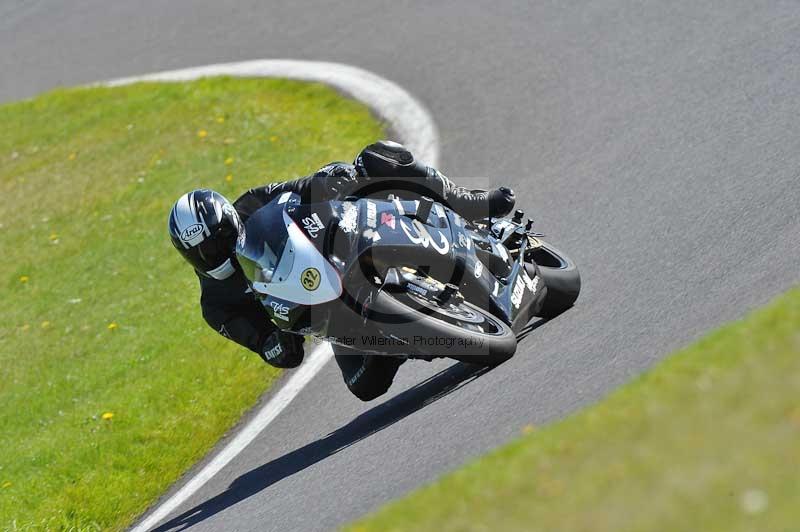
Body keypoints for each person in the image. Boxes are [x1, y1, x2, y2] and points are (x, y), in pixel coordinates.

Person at [168, 140, 515, 401]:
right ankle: (414, 337)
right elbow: (264, 344)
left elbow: (300, 188)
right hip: (330, 312)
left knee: (373, 157)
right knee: (365, 386)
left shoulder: (250, 205)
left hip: (342, 251)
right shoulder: (216, 306)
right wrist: (275, 345)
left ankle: (467, 202)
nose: (216, 253)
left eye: (219, 240)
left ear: (230, 221)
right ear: (189, 258)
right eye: (203, 252)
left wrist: (331, 177)